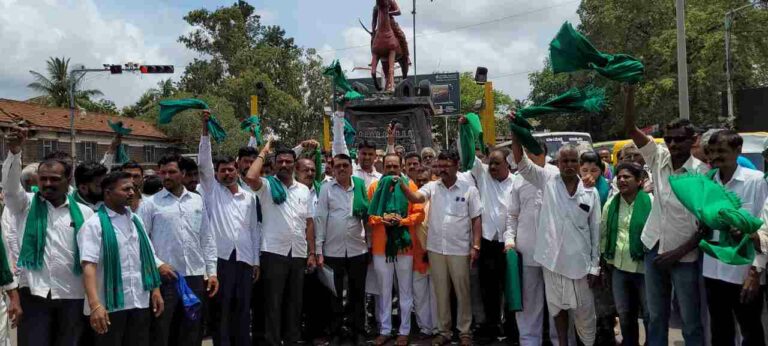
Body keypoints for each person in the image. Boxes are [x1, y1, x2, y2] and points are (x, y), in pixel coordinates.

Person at [623, 85, 707, 345]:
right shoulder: (659, 158)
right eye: (668, 139)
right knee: (656, 316)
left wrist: (677, 253)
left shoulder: (703, 174)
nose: (672, 144)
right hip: (653, 249)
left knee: (691, 322)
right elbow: (631, 129)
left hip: (686, 256)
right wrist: (629, 93)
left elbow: (705, 226)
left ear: (693, 140)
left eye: (679, 139)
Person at [509, 124, 602, 346]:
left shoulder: (590, 191)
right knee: (557, 309)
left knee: (584, 315)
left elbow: (596, 230)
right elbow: (521, 162)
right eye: (565, 161)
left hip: (580, 266)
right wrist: (515, 131)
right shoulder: (547, 181)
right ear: (557, 163)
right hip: (551, 262)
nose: (569, 165)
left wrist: (594, 266)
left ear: (579, 164)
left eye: (573, 161)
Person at [2, 126, 95, 346]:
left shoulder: (85, 213)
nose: (47, 184)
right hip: (35, 294)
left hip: (72, 295)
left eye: (54, 179)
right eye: (43, 179)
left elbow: (91, 258)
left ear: (68, 179)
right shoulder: (24, 205)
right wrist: (14, 153)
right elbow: (10, 189)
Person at [397, 150, 482, 346]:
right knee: (441, 292)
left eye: (446, 165)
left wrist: (476, 245)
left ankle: (465, 332)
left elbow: (476, 219)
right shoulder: (432, 187)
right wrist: (400, 184)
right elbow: (416, 198)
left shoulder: (469, 189)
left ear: (456, 166)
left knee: (463, 292)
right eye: (440, 165)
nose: (442, 169)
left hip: (460, 249)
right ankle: (444, 331)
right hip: (436, 249)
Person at [141, 154, 219, 346]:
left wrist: (212, 272)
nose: (166, 176)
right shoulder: (150, 204)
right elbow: (142, 241)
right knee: (163, 331)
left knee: (191, 331)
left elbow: (206, 237)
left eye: (172, 172)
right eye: (163, 172)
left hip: (195, 276)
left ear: (183, 173)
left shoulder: (196, 201)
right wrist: (158, 265)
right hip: (166, 277)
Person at [197, 111, 261, 346]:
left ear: (237, 170)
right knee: (221, 310)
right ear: (216, 173)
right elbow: (203, 160)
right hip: (221, 260)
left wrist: (256, 262)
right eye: (222, 170)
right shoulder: (212, 191)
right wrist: (205, 129)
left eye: (230, 169)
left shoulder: (249, 197)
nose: (227, 173)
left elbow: (254, 230)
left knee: (243, 309)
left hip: (244, 260)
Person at [78, 171, 164, 345]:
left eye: (132, 188)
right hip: (109, 306)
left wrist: (155, 290)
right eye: (125, 189)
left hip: (139, 301)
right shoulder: (94, 225)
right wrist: (95, 305)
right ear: (108, 193)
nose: (131, 192)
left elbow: (148, 257)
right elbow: (88, 266)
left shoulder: (136, 221)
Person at [246, 139, 316, 346]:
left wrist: (312, 252)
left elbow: (309, 223)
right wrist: (264, 151)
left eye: (288, 161)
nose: (284, 165)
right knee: (273, 305)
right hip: (273, 253)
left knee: (295, 304)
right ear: (274, 164)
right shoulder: (267, 186)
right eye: (280, 162)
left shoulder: (304, 190)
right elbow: (250, 176)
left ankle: (292, 341)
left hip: (298, 254)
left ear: (295, 164)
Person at [702, 130, 768, 346]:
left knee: (750, 331)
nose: (715, 156)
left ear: (738, 150)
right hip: (713, 270)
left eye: (721, 150)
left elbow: (764, 230)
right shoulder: (708, 182)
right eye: (711, 152)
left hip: (744, 273)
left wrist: (755, 272)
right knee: (720, 332)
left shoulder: (756, 181)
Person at [456, 115, 516, 343]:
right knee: (489, 289)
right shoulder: (482, 177)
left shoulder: (517, 182)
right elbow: (468, 153)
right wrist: (466, 128)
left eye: (497, 163)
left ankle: (512, 328)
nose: (492, 167)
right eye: (490, 163)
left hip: (510, 245)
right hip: (489, 244)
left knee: (511, 288)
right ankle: (491, 326)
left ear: (507, 165)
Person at [504, 142, 560, 346]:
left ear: (544, 153)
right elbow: (512, 215)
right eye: (526, 151)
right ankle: (529, 341)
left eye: (534, 151)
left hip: (555, 252)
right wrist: (509, 240)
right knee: (529, 303)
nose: (529, 155)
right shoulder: (519, 179)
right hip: (526, 249)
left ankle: (560, 341)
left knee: (557, 302)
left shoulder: (557, 174)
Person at [368, 154, 425, 346]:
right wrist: (381, 220)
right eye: (388, 166)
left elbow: (419, 213)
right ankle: (384, 329)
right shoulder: (375, 187)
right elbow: (369, 215)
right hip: (380, 246)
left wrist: (402, 221)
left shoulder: (409, 186)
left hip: (404, 246)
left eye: (395, 166)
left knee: (405, 291)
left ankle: (404, 330)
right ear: (383, 167)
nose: (392, 170)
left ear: (401, 167)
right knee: (384, 292)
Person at [315, 153, 369, 346]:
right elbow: (320, 220)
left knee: (358, 293)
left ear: (351, 168)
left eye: (345, 165)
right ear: (333, 168)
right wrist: (319, 251)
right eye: (338, 166)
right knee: (335, 295)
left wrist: (369, 245)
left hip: (358, 249)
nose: (342, 169)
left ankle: (359, 331)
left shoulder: (360, 187)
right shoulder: (326, 189)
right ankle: (336, 332)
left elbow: (366, 219)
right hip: (332, 251)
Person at [600, 163, 652, 346]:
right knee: (624, 313)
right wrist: (605, 260)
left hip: (645, 269)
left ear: (639, 181)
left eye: (627, 177)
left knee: (649, 314)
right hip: (619, 268)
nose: (621, 180)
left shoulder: (650, 202)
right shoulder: (611, 204)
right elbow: (604, 233)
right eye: (619, 177)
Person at [411, 165, 437, 339]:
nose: (421, 184)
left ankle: (437, 328)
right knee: (419, 294)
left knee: (437, 294)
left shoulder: (438, 199)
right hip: (415, 254)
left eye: (424, 181)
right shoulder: (410, 199)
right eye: (418, 181)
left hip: (435, 253)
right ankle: (425, 328)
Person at [331, 111, 382, 188]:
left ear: (375, 156)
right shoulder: (350, 172)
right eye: (364, 154)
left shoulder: (380, 179)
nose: (367, 157)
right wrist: (340, 112)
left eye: (370, 154)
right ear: (358, 154)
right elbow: (339, 144)